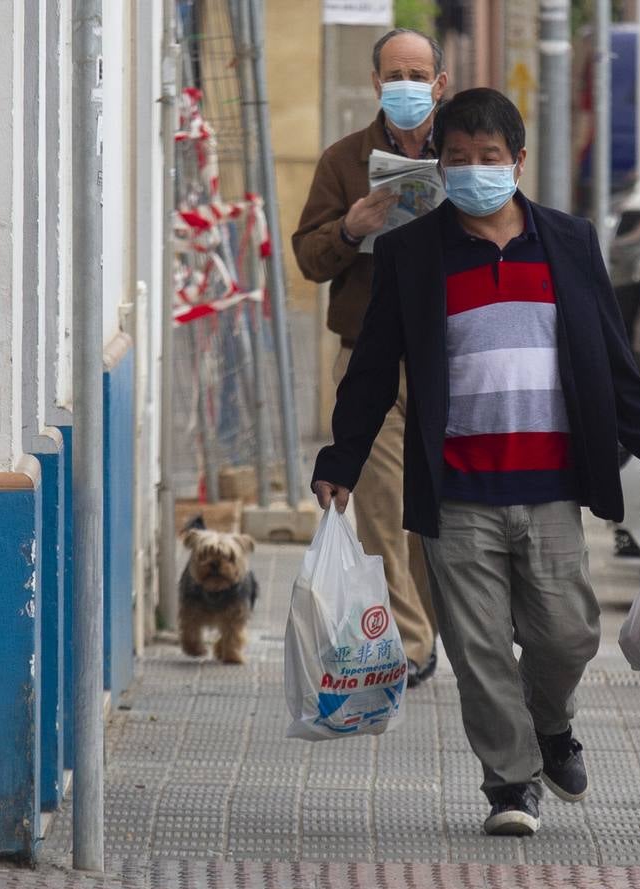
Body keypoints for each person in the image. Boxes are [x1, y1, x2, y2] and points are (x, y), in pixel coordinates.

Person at [311, 88, 640, 837]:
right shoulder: (410, 254)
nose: (474, 172)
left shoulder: (569, 242)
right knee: (478, 647)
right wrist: (342, 459)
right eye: (458, 160)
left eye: (489, 159)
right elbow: (372, 366)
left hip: (549, 485)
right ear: (439, 165)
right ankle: (510, 784)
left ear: (517, 162)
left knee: (567, 634)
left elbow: (612, 362)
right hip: (455, 489)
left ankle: (550, 725)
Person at [293, 28, 448, 687]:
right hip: (370, 356)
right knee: (383, 501)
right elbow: (308, 255)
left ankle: (430, 626)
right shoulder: (344, 159)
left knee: (436, 509)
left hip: (451, 356)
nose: (408, 87)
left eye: (420, 74)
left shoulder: (466, 154)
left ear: (439, 83)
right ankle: (411, 646)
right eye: (395, 75)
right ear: (376, 82)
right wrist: (352, 226)